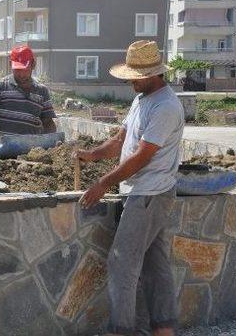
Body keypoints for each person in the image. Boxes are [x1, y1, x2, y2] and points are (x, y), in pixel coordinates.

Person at [74, 40, 184, 336]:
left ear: (154, 74)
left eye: (134, 76)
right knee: (154, 265)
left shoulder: (166, 106)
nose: (130, 81)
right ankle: (164, 328)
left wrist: (102, 183)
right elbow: (122, 141)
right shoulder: (142, 99)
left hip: (149, 193)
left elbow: (142, 156)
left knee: (121, 263)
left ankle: (120, 330)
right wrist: (93, 154)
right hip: (144, 193)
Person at [0, 45, 56, 135]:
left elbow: (48, 123)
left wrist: (51, 140)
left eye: (25, 70)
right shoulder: (0, 86)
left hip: (32, 147)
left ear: (33, 64)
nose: (21, 75)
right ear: (11, 64)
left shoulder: (42, 91)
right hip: (5, 146)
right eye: (17, 70)